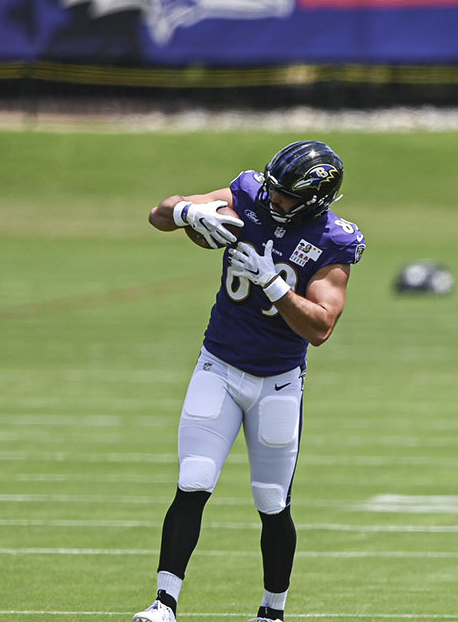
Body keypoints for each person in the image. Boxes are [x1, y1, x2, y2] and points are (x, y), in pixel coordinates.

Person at [133, 140, 366, 622]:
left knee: (272, 501)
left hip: (278, 382)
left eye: (285, 195)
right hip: (218, 365)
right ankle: (164, 603)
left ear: (315, 200)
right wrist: (187, 216)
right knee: (193, 481)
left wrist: (275, 286)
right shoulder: (249, 194)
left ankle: (271, 613)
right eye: (273, 188)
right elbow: (158, 212)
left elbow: (321, 327)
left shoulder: (333, 240)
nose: (273, 199)